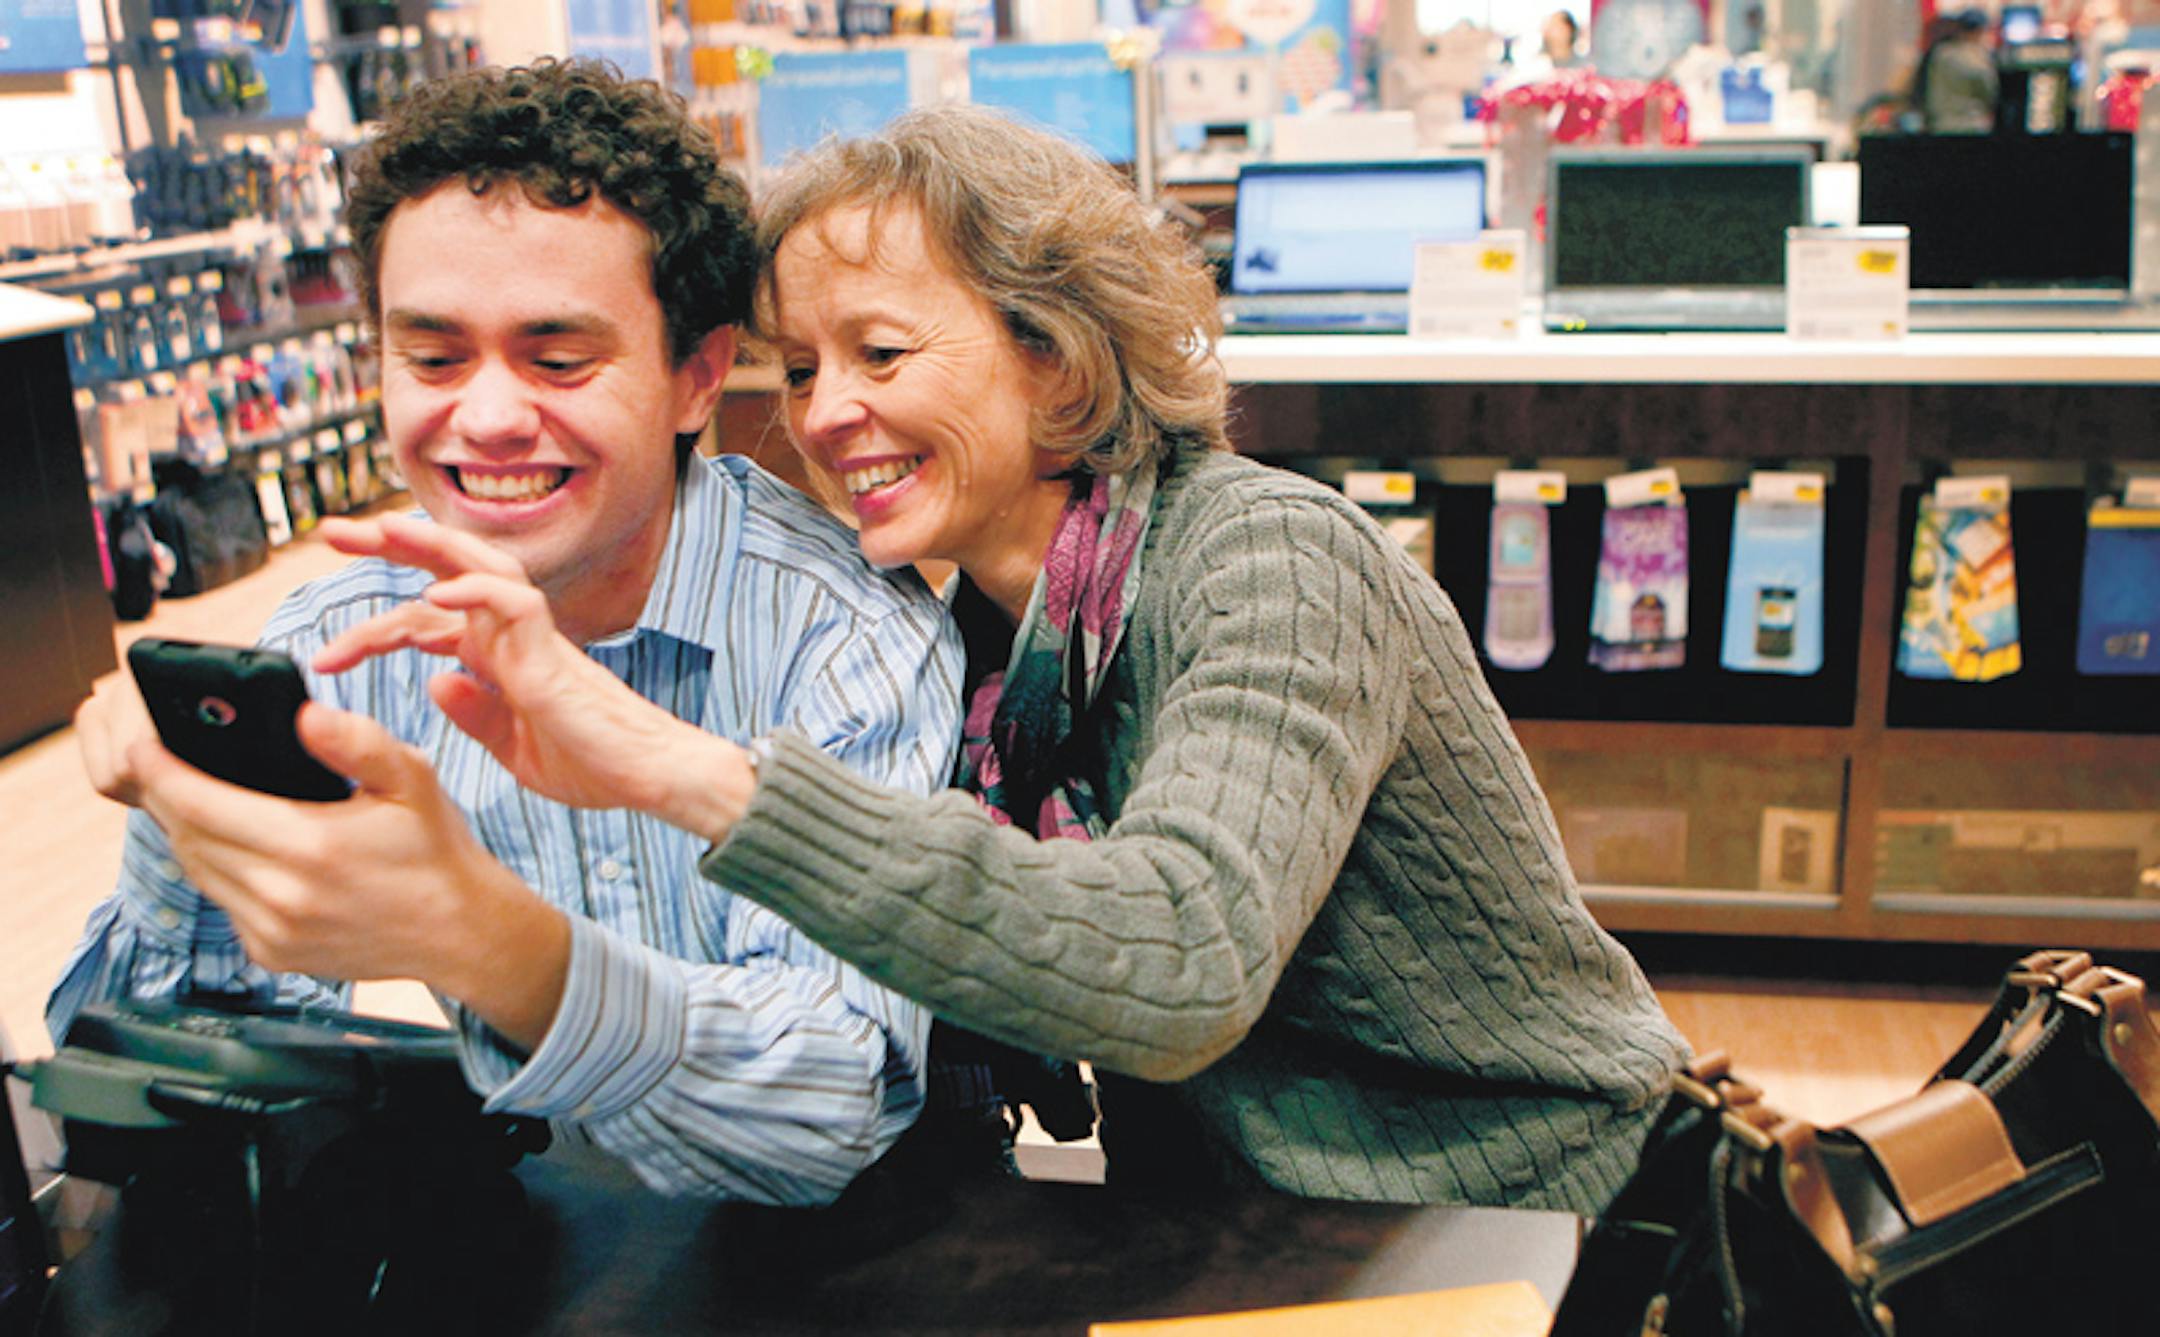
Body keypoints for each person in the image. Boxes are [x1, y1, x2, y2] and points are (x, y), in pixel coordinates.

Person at [275, 103, 1691, 1212]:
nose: (830, 417)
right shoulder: (985, 646)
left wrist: (681, 772)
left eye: (882, 354)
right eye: (807, 367)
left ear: (1055, 359)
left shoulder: (1270, 559)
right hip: (1236, 1220)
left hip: (1539, 1216)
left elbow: (1181, 956)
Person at [52, 60, 965, 1206]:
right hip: (525, 1241)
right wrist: (181, 814)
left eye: (559, 359)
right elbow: (146, 1080)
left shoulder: (842, 636)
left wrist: (501, 949)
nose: (483, 419)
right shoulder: (343, 641)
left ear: (698, 374)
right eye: (431, 357)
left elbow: (838, 1104)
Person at [1912, 8, 1999, 133]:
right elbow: (1989, 91)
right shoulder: (1978, 58)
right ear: (1980, 31)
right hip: (1972, 125)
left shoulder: (1939, 54)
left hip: (1940, 125)